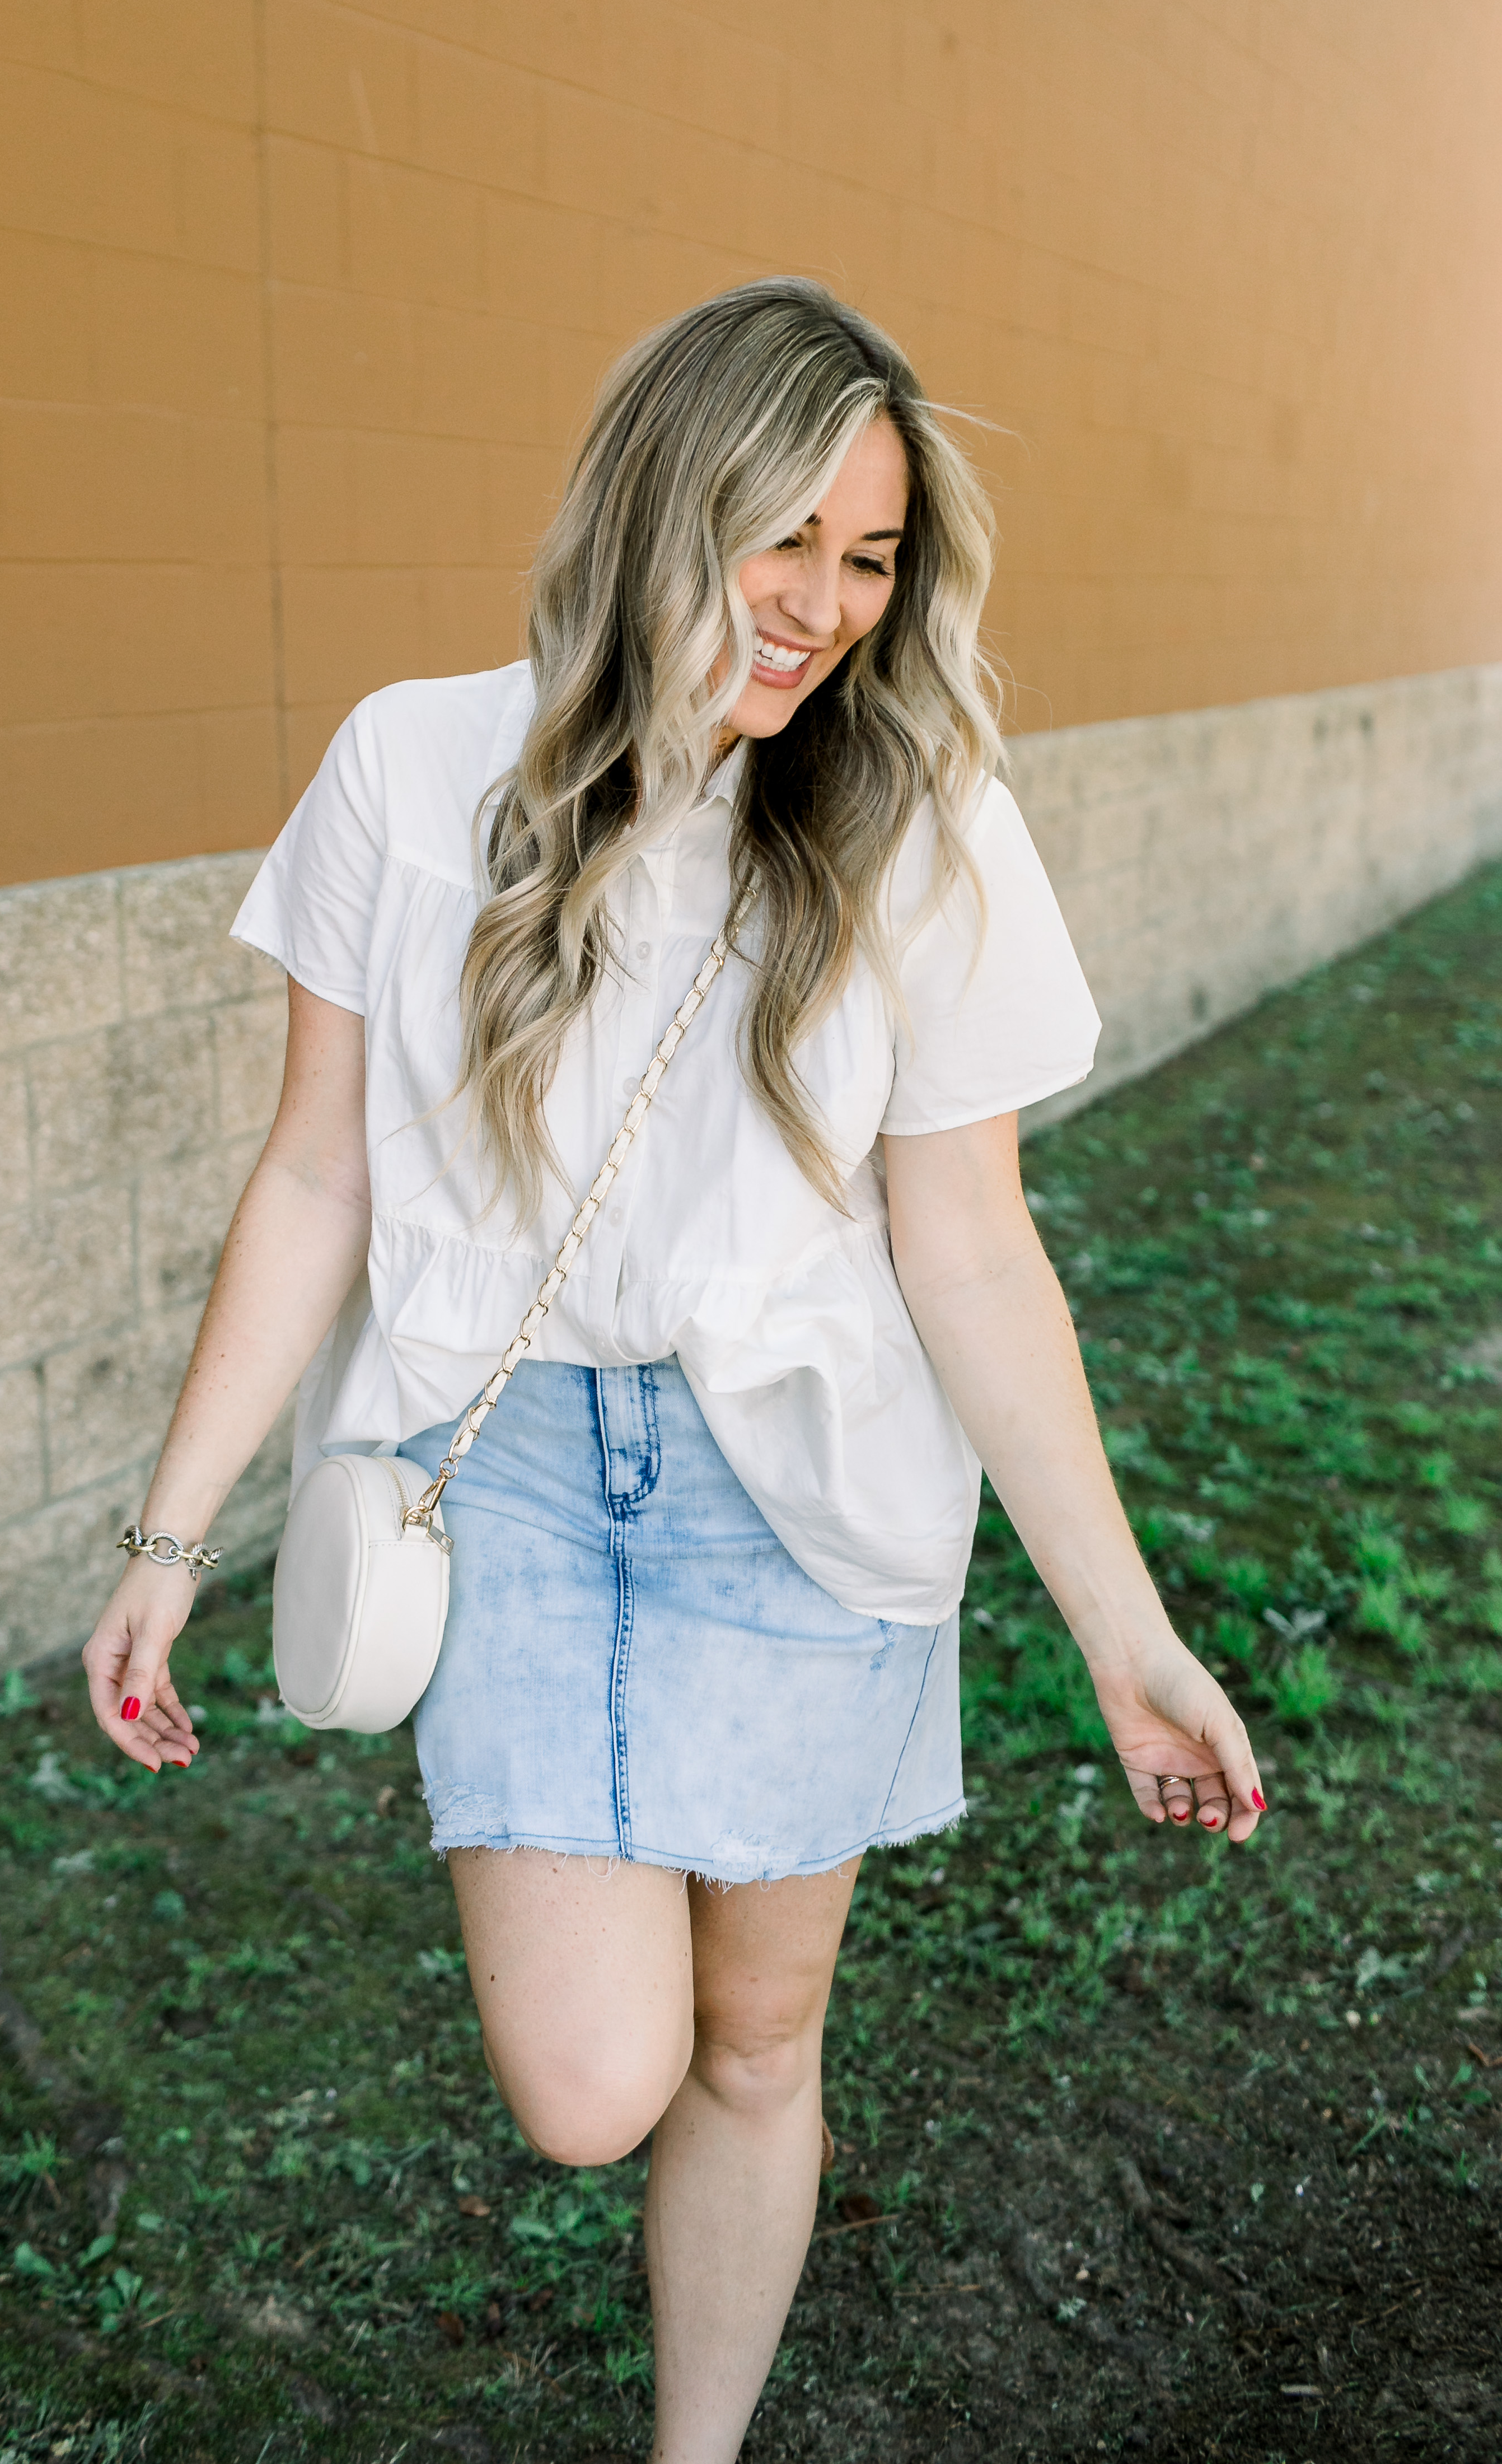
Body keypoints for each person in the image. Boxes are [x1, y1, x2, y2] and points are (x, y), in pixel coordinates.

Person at [81, 277, 1264, 2464]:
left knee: (759, 2030)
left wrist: (1125, 1627)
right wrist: (171, 1532)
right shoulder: (416, 765)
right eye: (781, 534)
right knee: (588, 2082)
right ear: (659, 500)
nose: (824, 602)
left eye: (873, 554)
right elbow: (317, 1176)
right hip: (503, 1457)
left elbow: (973, 1246)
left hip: (800, 1482)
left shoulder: (917, 816)